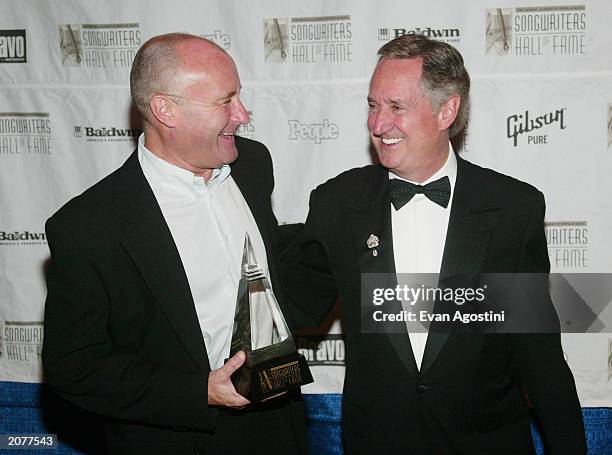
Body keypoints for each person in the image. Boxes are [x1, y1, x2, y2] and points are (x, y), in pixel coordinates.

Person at [285, 35, 586, 454]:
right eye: (373, 106)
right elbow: (292, 305)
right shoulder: (337, 203)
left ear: (447, 110)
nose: (377, 124)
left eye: (396, 108)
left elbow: (539, 357)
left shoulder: (511, 209)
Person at [42, 33, 307, 455]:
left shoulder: (253, 165)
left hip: (280, 428)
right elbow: (75, 368)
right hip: (175, 438)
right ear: (166, 110)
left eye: (239, 96)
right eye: (226, 100)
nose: (242, 113)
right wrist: (201, 391)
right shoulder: (89, 226)